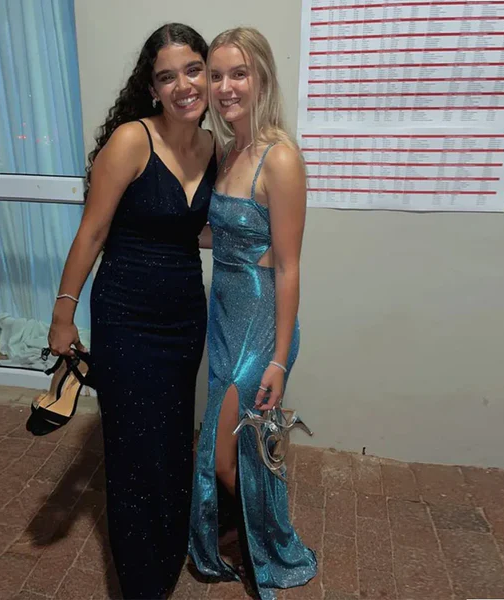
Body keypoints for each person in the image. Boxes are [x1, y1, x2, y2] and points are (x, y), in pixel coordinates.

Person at [45, 23, 216, 599]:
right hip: (128, 318)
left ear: (207, 74)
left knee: (171, 439)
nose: (183, 85)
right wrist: (63, 314)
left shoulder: (213, 147)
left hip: (184, 317)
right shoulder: (131, 141)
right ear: (152, 89)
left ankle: (167, 550)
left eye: (193, 70)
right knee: (134, 449)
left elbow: (192, 229)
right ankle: (143, 580)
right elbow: (92, 232)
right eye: (167, 77)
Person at [189, 27, 317, 600]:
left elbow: (287, 266)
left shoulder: (279, 157)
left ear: (261, 77)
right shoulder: (226, 151)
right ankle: (249, 534)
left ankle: (266, 547)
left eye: (238, 74)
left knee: (227, 456)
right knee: (239, 451)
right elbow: (224, 236)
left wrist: (280, 361)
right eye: (216, 75)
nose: (225, 87)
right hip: (224, 317)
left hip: (261, 327)